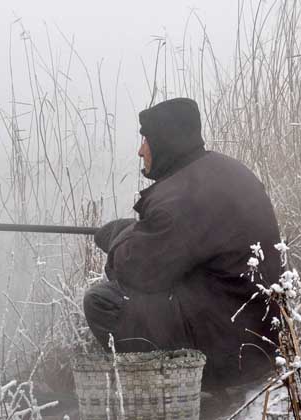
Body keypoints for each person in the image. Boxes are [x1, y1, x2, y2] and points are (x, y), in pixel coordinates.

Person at [83, 97, 282, 391]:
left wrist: (119, 237)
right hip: (259, 333)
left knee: (101, 301)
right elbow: (188, 244)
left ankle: (178, 388)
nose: (140, 151)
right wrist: (136, 230)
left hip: (230, 349)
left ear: (165, 141)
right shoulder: (225, 170)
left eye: (146, 140)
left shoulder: (181, 198)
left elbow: (134, 273)